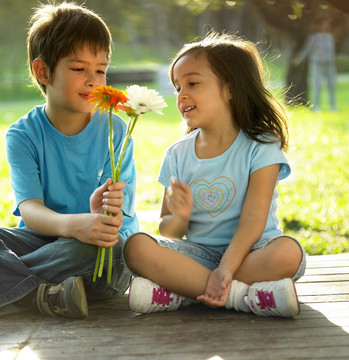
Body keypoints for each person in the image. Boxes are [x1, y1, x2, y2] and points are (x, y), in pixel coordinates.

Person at [0, 2, 139, 320]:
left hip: (94, 251)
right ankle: (39, 295)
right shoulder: (22, 134)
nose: (93, 80)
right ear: (43, 71)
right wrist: (73, 224)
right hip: (41, 241)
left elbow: (117, 222)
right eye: (79, 69)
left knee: (113, 253)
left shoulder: (117, 129)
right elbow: (31, 210)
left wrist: (98, 214)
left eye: (100, 70)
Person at [124, 32, 306, 318]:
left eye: (193, 83)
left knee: (288, 253)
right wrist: (180, 216)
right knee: (135, 247)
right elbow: (168, 230)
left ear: (231, 88)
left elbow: (253, 219)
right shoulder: (177, 154)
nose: (181, 94)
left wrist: (226, 268)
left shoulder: (261, 145)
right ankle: (243, 296)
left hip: (253, 252)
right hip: (198, 254)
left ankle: (185, 293)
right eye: (177, 87)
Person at [293, 19, 338, 112]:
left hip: (329, 64)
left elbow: (332, 52)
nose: (326, 26)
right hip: (317, 64)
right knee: (317, 85)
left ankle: (333, 106)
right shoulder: (314, 37)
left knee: (331, 86)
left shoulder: (330, 37)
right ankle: (316, 106)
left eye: (327, 24)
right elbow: (307, 50)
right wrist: (299, 59)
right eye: (324, 24)